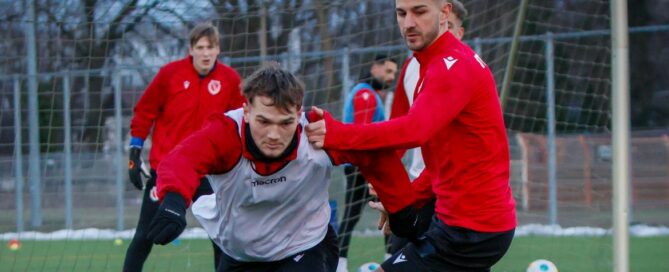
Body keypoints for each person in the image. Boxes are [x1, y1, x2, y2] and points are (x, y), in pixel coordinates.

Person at [305, 0, 516, 271]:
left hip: (472, 231)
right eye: (401, 13)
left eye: (419, 11)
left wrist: (337, 134)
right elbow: (446, 156)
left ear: (444, 12)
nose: (408, 23)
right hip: (462, 223)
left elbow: (413, 130)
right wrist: (408, 198)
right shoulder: (430, 65)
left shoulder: (453, 66)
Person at [144, 64, 417, 272]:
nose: (274, 134)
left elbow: (373, 155)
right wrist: (174, 201)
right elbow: (183, 160)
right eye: (264, 121)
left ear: (298, 113)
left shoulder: (317, 132)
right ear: (247, 110)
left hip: (306, 245)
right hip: (240, 253)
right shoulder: (226, 132)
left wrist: (402, 208)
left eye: (285, 123)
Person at [124, 22, 245, 271]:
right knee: (145, 235)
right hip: (167, 171)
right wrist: (135, 150)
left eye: (210, 47)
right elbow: (145, 111)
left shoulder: (230, 79)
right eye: (200, 47)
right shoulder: (170, 74)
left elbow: (242, 121)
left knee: (222, 239)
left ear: (218, 49)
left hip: (210, 173)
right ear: (191, 50)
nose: (205, 53)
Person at [377, 0, 469, 255]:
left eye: (448, 26)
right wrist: (385, 176)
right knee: (398, 251)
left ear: (458, 32)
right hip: (419, 188)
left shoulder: (467, 68)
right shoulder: (411, 68)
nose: (442, 31)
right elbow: (398, 130)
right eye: (403, 13)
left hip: (455, 193)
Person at [337, 55, 398, 271]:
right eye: (388, 71)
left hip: (360, 166)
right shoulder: (364, 94)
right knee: (391, 211)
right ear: (375, 68)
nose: (391, 77)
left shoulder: (368, 93)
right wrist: (371, 171)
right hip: (362, 168)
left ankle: (342, 265)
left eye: (393, 73)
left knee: (356, 217)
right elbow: (363, 136)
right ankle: (388, 262)